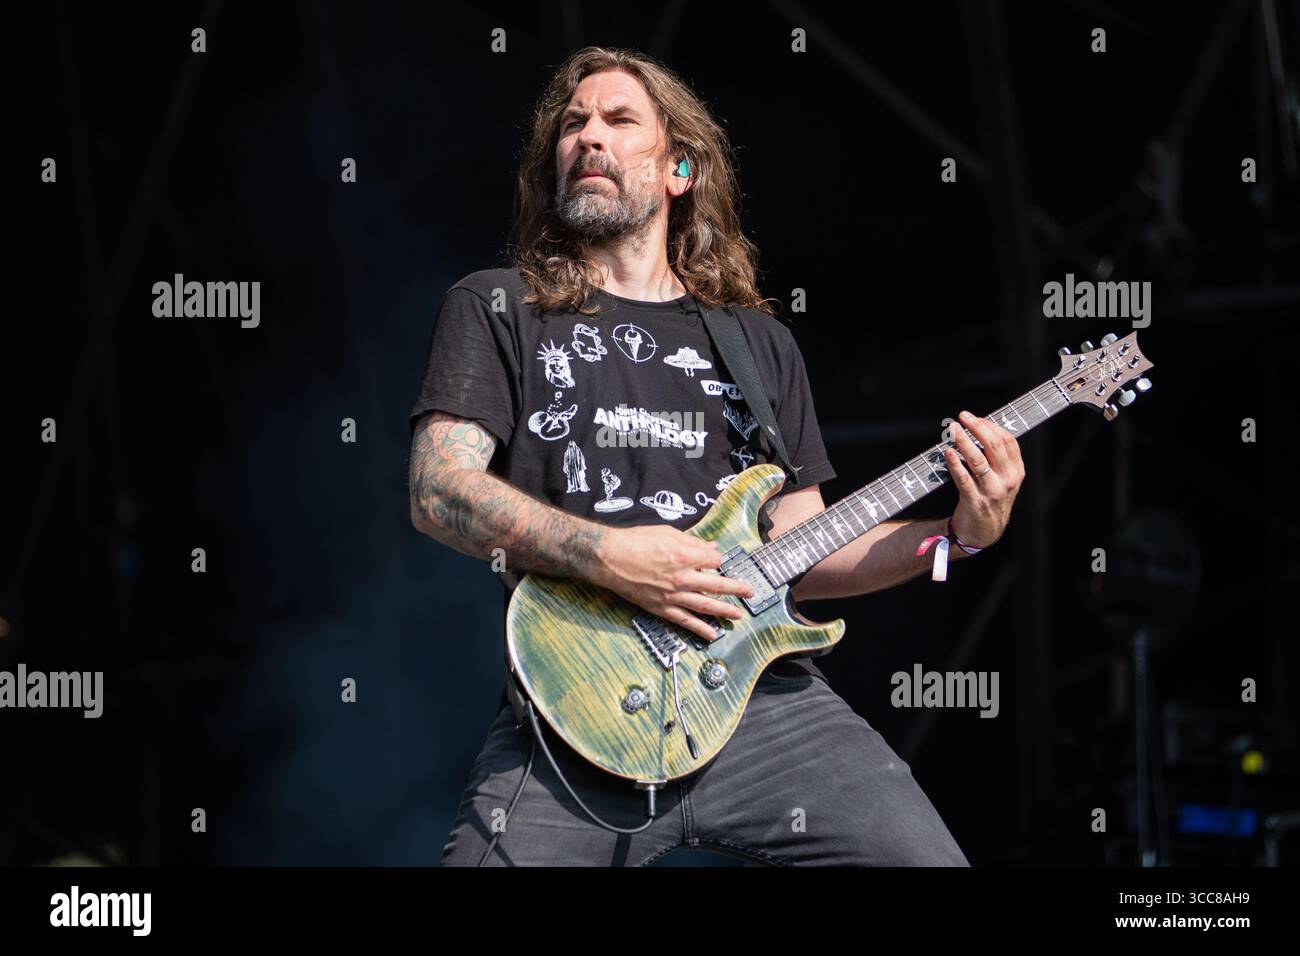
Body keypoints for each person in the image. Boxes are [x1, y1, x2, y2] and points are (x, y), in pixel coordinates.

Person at [408, 47, 1024, 866]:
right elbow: (438, 489)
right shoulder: (497, 306)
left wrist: (959, 533)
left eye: (620, 120)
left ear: (680, 169)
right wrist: (612, 555)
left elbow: (807, 551)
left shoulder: (758, 343)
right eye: (572, 123)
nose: (588, 136)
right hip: (583, 704)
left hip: (765, 706)